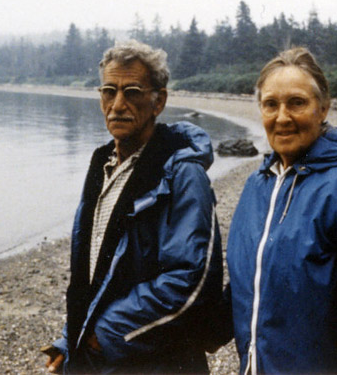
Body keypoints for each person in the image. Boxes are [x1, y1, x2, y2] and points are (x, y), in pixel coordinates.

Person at [45, 40, 223, 374]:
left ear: (159, 101)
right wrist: (72, 342)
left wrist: (103, 335)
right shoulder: (103, 164)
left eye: (133, 91)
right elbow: (96, 275)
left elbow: (191, 283)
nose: (118, 104)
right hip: (101, 357)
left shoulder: (183, 173)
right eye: (109, 91)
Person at [226, 47, 337, 374]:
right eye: (270, 104)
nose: (282, 117)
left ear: (323, 108)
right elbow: (247, 286)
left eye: (296, 103)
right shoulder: (257, 185)